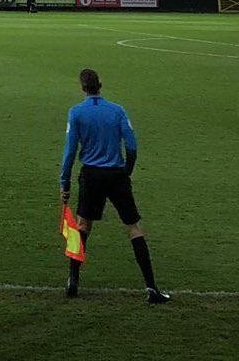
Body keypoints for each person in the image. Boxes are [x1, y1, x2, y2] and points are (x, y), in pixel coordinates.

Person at [59, 67, 168, 303]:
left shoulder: (76, 112)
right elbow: (132, 146)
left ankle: (73, 280)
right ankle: (151, 288)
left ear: (82, 88)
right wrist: (126, 172)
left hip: (91, 176)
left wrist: (65, 182)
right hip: (116, 175)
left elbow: (69, 152)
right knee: (133, 228)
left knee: (82, 226)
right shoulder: (117, 111)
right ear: (101, 85)